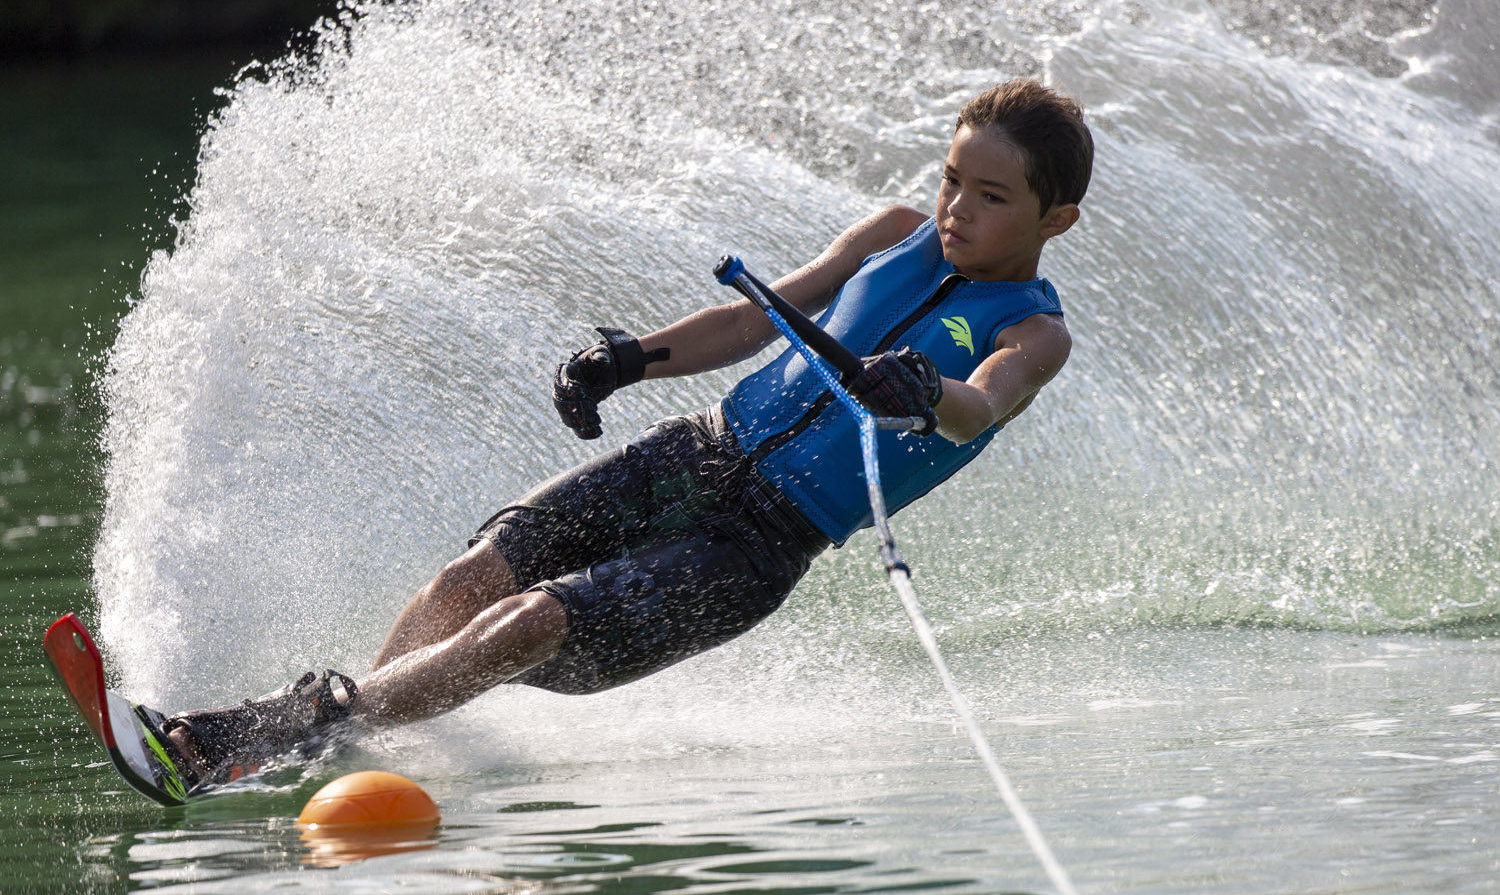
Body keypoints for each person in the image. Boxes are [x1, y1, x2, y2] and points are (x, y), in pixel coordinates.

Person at [159, 78, 1093, 788]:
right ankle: (343, 748)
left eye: (991, 197)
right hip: (697, 451)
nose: (956, 208)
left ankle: (279, 728)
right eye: (951, 179)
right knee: (475, 577)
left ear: (1056, 219)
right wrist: (629, 360)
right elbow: (751, 322)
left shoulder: (1032, 332)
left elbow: (982, 404)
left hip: (756, 547)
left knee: (532, 621)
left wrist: (925, 389)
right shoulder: (894, 231)